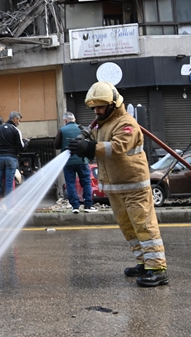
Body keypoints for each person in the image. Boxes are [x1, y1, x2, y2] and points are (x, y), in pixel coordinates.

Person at [68, 82, 168, 287]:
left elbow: (117, 147)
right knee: (128, 228)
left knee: (144, 226)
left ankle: (157, 268)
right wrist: (81, 140)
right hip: (116, 186)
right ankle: (144, 263)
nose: (96, 111)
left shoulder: (125, 124)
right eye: (94, 108)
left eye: (100, 107)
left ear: (113, 105)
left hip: (134, 185)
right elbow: (93, 137)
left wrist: (88, 147)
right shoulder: (102, 123)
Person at [54, 112, 96, 214]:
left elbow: (56, 145)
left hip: (68, 162)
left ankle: (75, 207)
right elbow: (91, 142)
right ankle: (88, 205)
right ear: (75, 119)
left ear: (65, 121)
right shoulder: (82, 129)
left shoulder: (62, 130)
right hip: (82, 160)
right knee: (86, 182)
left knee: (70, 184)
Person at [0, 111, 28, 208]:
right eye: (19, 120)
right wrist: (26, 143)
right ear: (14, 119)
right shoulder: (15, 130)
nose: (19, 122)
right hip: (11, 158)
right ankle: (9, 207)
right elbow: (21, 148)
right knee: (9, 183)